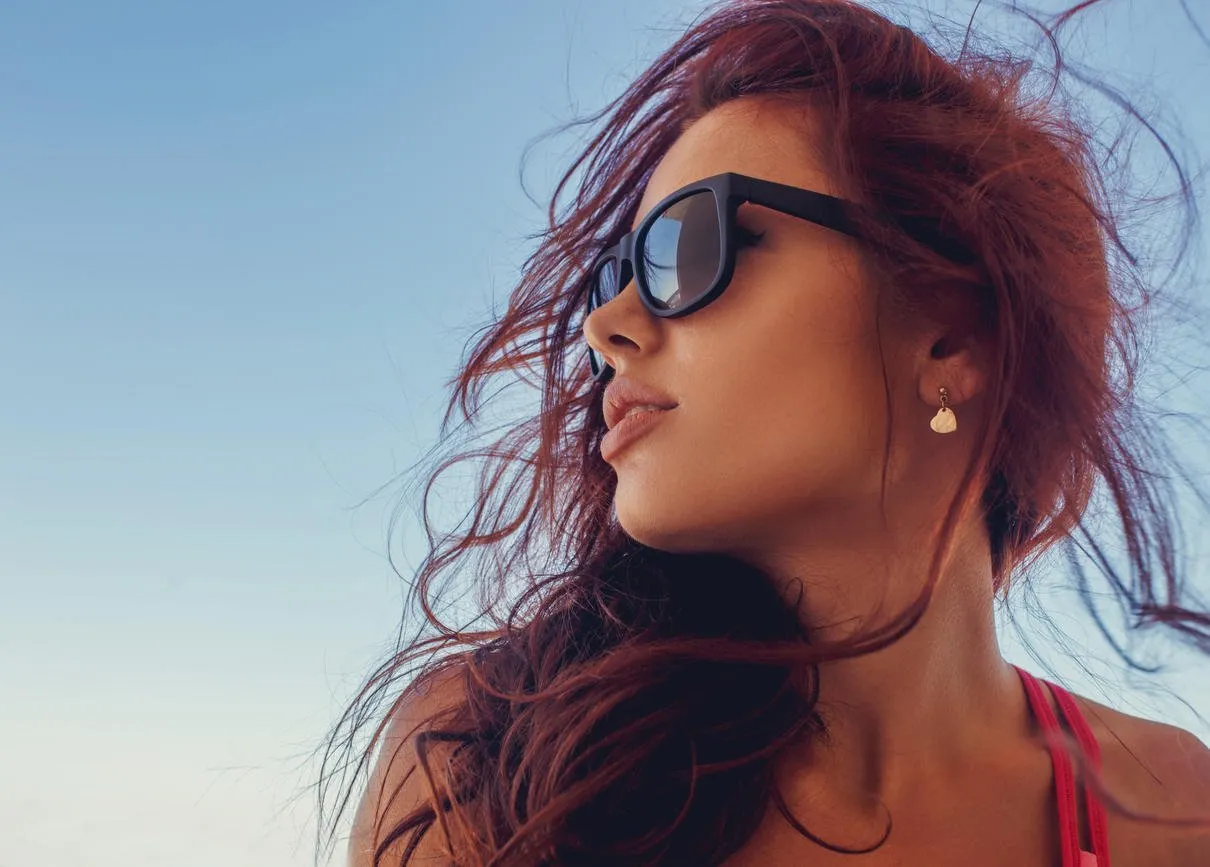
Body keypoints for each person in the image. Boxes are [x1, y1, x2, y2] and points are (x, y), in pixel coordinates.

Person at [333, 1, 1210, 864]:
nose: (607, 327)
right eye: (613, 277)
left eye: (688, 246)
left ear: (949, 335)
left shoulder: (1177, 809)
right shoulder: (492, 764)